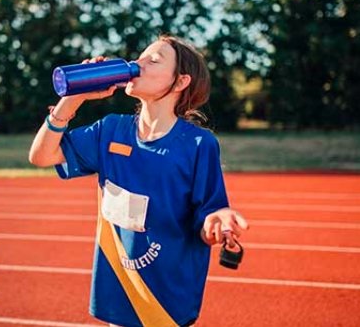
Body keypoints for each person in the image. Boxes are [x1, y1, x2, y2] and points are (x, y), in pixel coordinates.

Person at [29, 35, 249, 327]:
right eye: (140, 56)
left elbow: (208, 217)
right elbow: (41, 156)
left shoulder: (198, 143)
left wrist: (218, 223)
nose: (137, 63)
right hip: (120, 289)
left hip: (166, 298)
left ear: (181, 81)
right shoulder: (111, 129)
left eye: (153, 60)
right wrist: (73, 98)